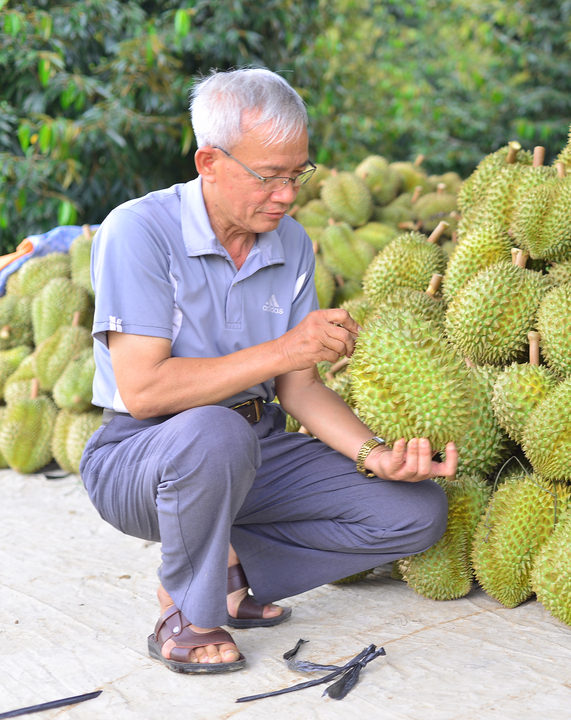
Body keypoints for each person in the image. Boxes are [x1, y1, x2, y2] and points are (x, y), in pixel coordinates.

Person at [79, 68, 455, 674]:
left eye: (296, 174)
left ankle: (231, 571)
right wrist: (286, 349)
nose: (286, 194)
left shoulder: (292, 244)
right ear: (208, 162)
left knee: (416, 512)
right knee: (215, 433)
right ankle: (188, 613)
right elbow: (144, 391)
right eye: (268, 177)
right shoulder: (139, 231)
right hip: (144, 456)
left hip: (257, 448)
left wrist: (374, 453)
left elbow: (299, 388)